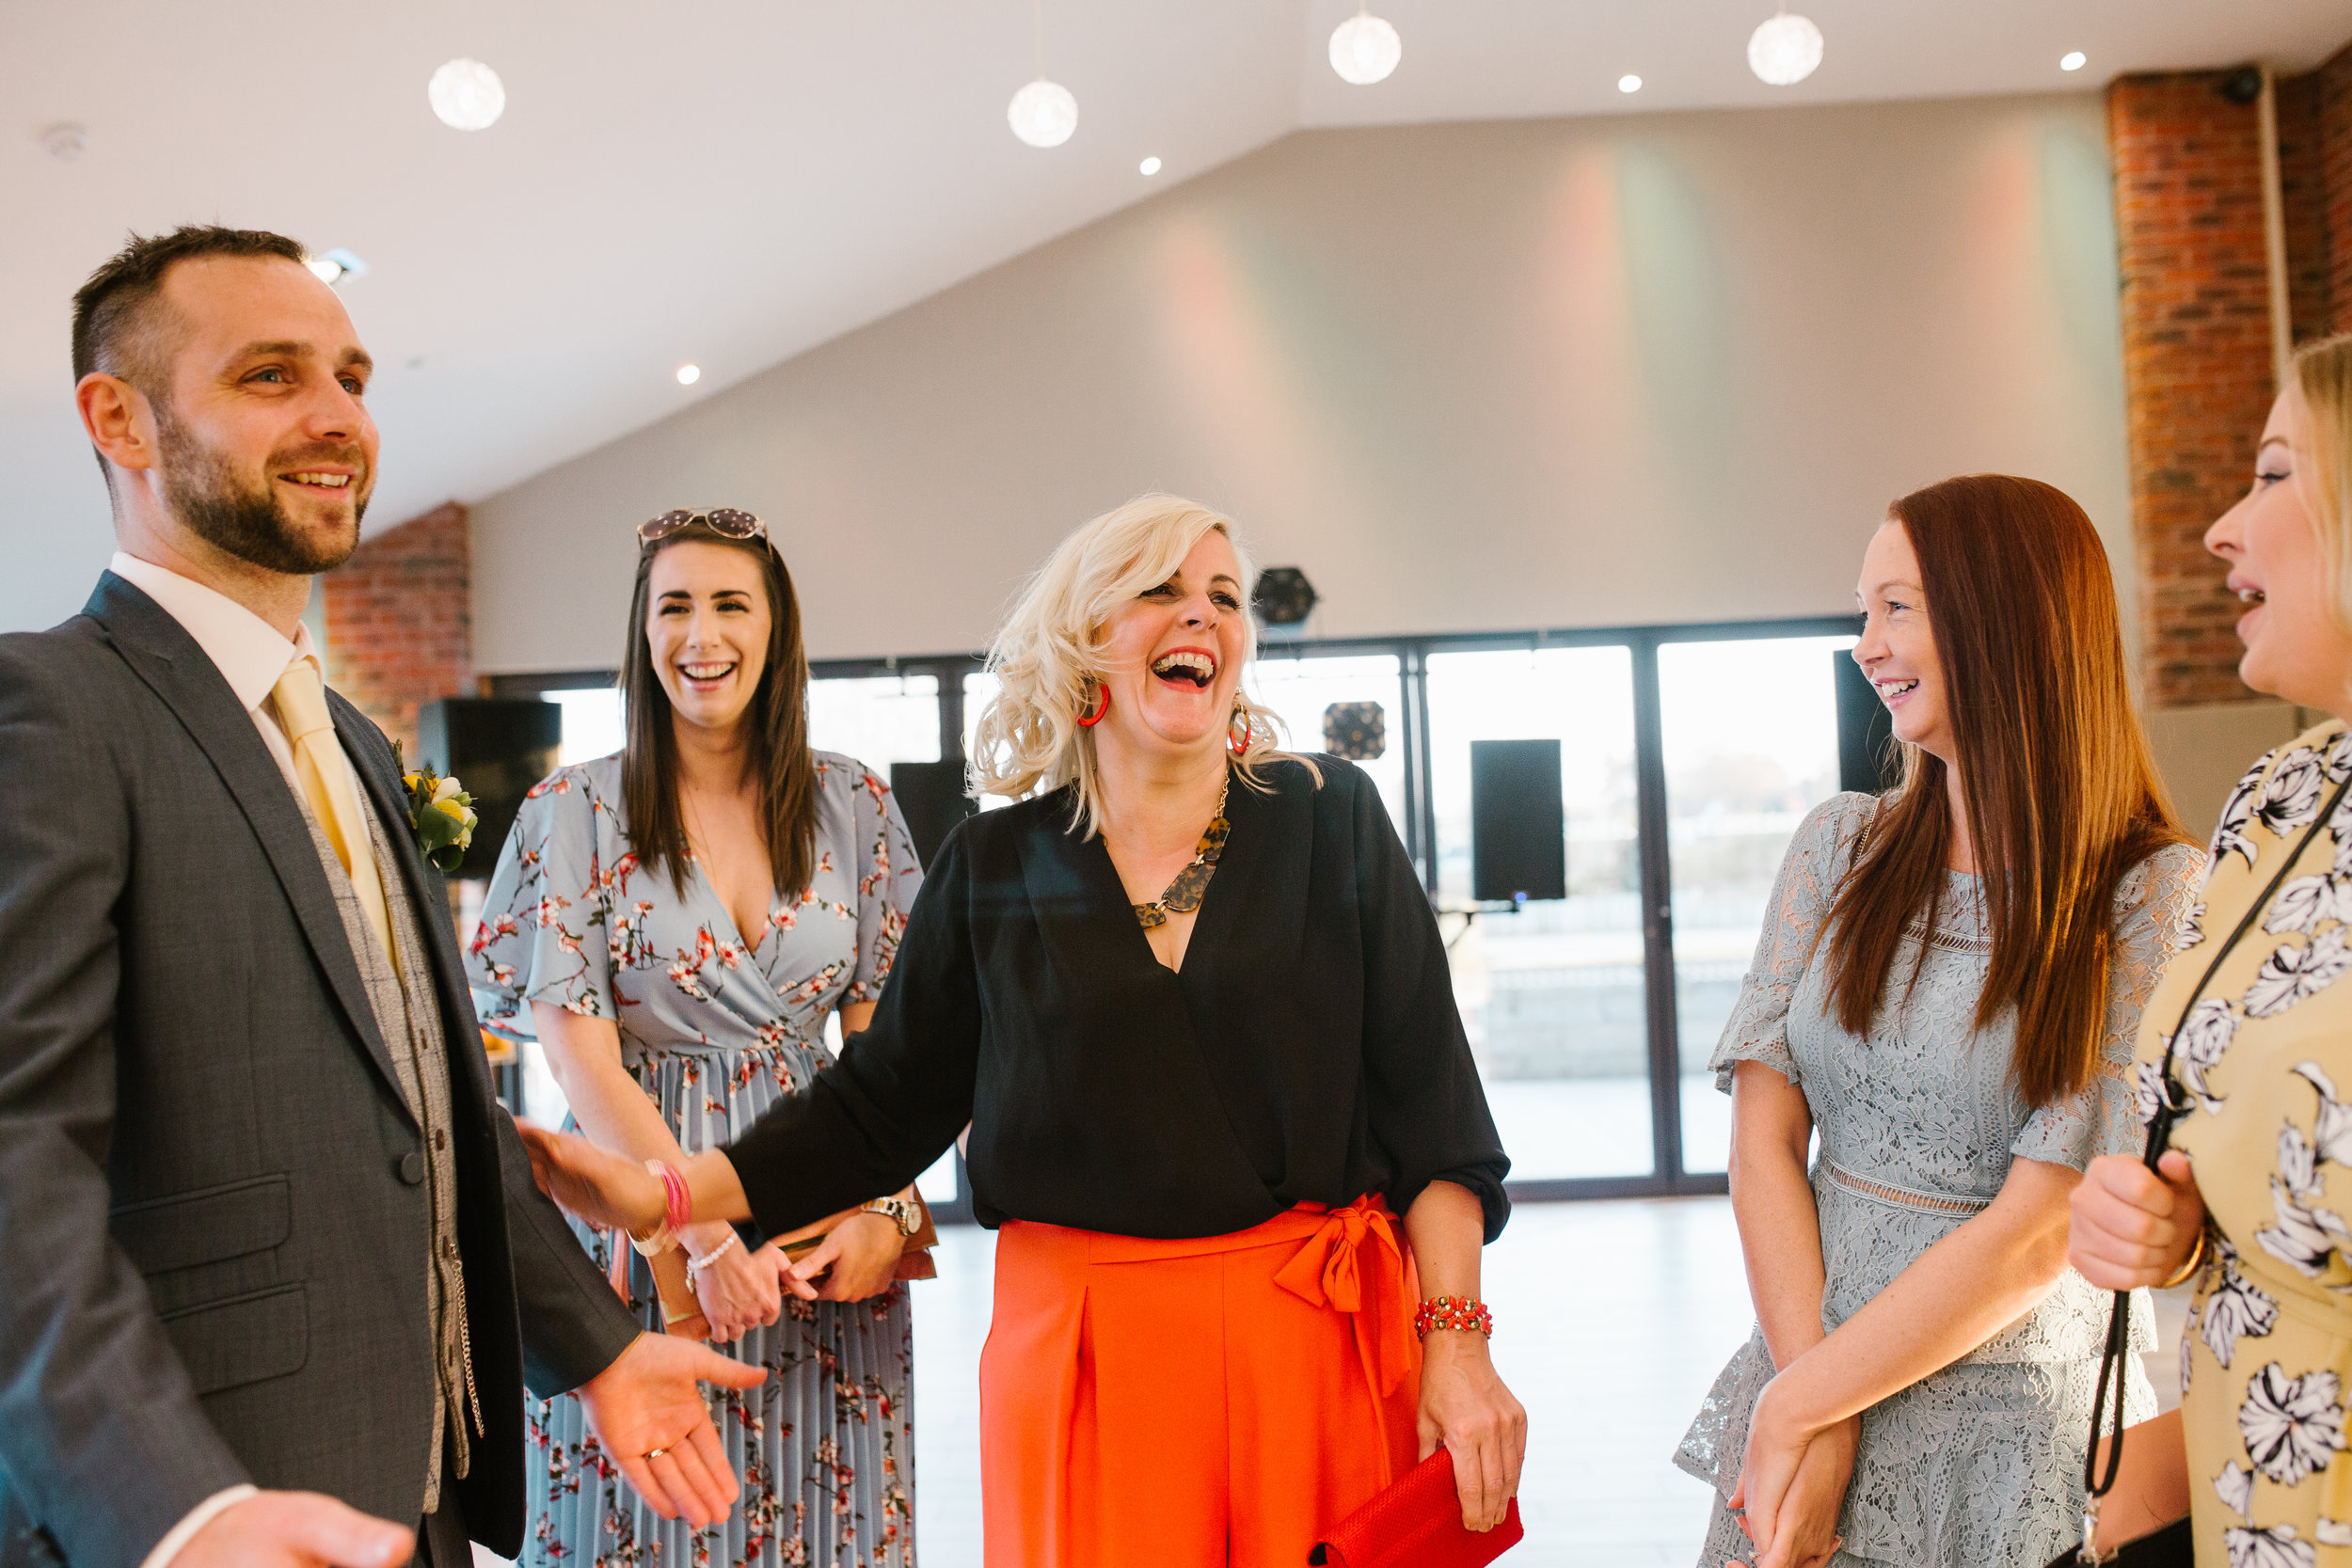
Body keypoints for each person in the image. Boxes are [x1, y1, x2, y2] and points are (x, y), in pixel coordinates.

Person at [514, 494, 1526, 1565]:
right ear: (1086, 638)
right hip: (1086, 1357)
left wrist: (1457, 1346)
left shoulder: (1334, 816)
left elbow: (1437, 1120)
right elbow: (874, 1112)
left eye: (1223, 597)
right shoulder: (994, 863)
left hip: (1312, 1347)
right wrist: (670, 1194)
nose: (1203, 616)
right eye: (1160, 591)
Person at [0, 227, 764, 1568]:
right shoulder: (47, 707)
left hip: (419, 1490)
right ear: (116, 416)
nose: (339, 418)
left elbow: (431, 1115)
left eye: (352, 377)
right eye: (270, 376)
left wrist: (595, 1346)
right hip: (215, 1503)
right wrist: (175, 1508)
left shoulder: (353, 739)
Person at [1671, 473, 2203, 1568]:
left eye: (1898, 605)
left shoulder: (2148, 892)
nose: (1866, 642)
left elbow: (2037, 1230)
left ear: (2009, 615)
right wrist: (1809, 1403)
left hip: (2006, 1448)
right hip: (1804, 1374)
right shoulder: (1839, 844)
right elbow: (1761, 1144)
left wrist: (1801, 1407)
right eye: (1864, 609)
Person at [468, 507, 928, 1566]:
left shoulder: (852, 800)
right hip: (639, 1207)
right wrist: (700, 1235)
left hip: (823, 1214)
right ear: (642, 629)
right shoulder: (570, 810)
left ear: (777, 630)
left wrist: (883, 1210)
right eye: (673, 605)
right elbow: (578, 1052)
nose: (700, 633)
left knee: (829, 1518)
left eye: (730, 604)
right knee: (650, 1516)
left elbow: (889, 1047)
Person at [2068, 332, 2352, 1564]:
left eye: (2277, 473)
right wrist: (2165, 1219)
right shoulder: (2282, 798)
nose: (2222, 529)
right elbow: (2205, 1129)